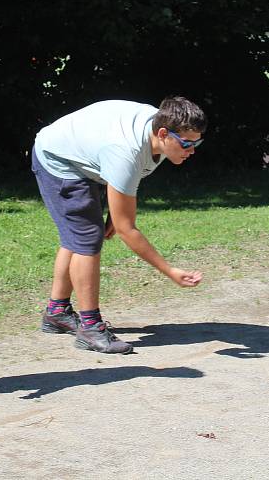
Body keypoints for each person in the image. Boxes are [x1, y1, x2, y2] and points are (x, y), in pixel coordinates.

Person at [32, 97, 206, 354]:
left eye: (197, 143)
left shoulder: (156, 134)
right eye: (187, 143)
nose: (192, 150)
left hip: (86, 152)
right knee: (87, 239)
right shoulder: (126, 150)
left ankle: (56, 313)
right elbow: (127, 230)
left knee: (79, 236)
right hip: (58, 160)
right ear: (162, 133)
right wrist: (169, 271)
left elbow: (129, 180)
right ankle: (90, 328)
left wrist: (115, 213)